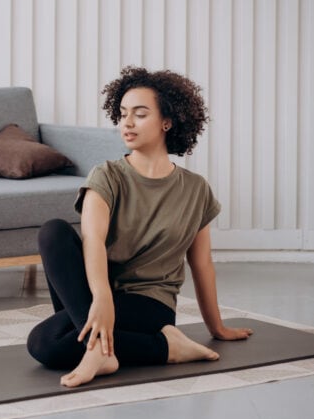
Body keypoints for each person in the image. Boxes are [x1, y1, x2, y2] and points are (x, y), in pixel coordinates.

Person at [26, 66, 253, 387]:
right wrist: (102, 298)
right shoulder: (107, 175)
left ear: (167, 122)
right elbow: (92, 241)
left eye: (140, 114)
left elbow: (202, 264)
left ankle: (114, 347)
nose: (127, 123)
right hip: (95, 296)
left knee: (45, 343)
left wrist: (217, 327)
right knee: (53, 231)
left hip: (150, 306)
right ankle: (161, 348)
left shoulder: (196, 188)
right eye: (122, 114)